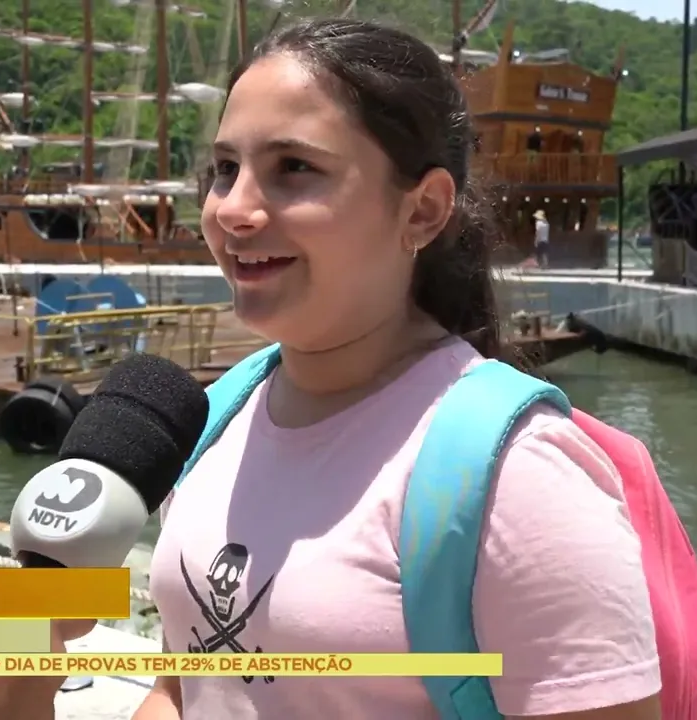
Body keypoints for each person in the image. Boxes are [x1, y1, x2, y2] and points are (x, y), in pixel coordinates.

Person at [138, 18, 661, 720]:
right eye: (225, 168)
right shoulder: (215, 418)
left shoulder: (518, 474)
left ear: (423, 211)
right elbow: (182, 687)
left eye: (294, 168)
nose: (233, 208)